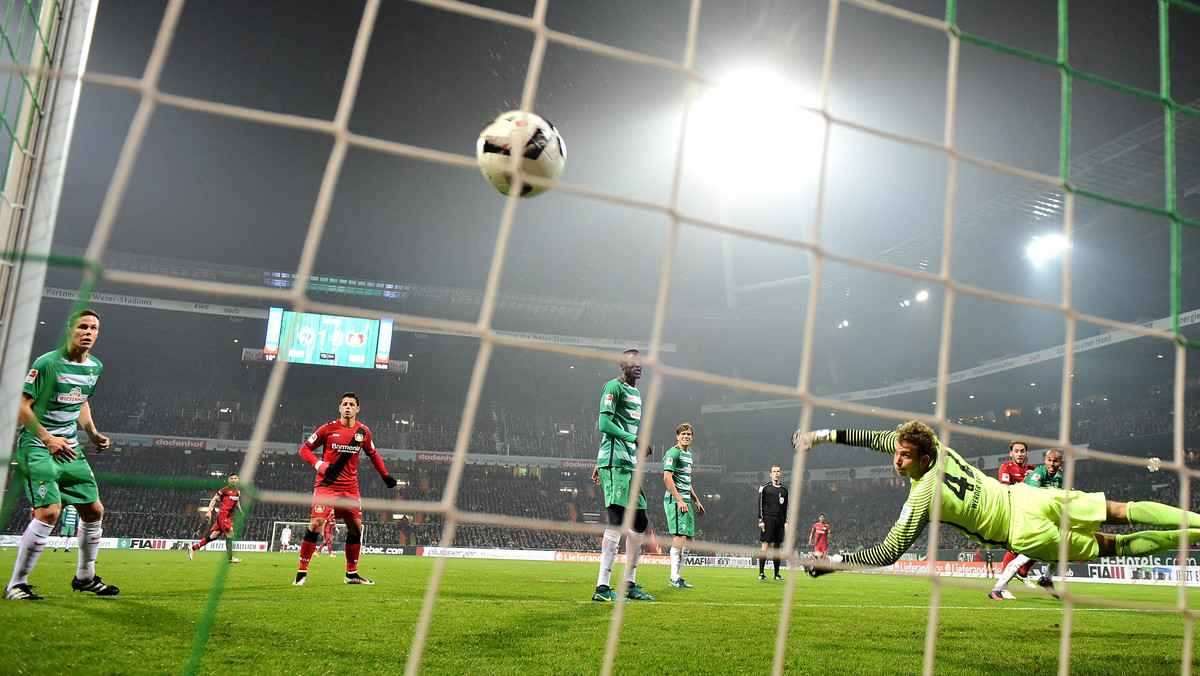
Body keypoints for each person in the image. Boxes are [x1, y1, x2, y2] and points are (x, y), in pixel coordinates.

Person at [793, 423, 1200, 583]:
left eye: (903, 456)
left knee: (1115, 543)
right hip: (1029, 496)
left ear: (922, 459)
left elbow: (888, 551)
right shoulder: (938, 448)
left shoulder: (922, 496)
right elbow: (871, 438)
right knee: (1119, 509)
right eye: (896, 453)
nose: (895, 459)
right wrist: (824, 435)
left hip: (1020, 529)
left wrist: (834, 562)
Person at [5, 309, 117, 600]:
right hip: (38, 445)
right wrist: (47, 438)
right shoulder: (47, 363)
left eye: (94, 327)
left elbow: (80, 401)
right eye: (82, 326)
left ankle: (85, 577)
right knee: (50, 511)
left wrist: (92, 433)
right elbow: (21, 406)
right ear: (69, 330)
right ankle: (16, 585)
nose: (88, 332)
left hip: (69, 447)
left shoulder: (95, 367)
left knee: (94, 510)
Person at [293, 392, 397, 586]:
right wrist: (320, 465)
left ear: (358, 409)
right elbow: (304, 449)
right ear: (339, 408)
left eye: (351, 404)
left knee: (356, 528)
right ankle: (301, 573)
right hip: (327, 485)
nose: (347, 407)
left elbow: (373, 455)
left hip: (350, 487)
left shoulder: (364, 432)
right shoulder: (328, 428)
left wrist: (385, 475)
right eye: (344, 404)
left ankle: (351, 574)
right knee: (316, 524)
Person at [591, 349, 654, 602]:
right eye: (632, 362)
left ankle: (629, 583)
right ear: (622, 365)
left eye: (640, 362)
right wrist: (635, 439)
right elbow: (604, 424)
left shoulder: (636, 393)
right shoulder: (612, 387)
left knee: (639, 522)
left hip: (628, 463)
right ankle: (602, 588)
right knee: (617, 519)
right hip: (615, 461)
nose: (637, 365)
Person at [990, 448, 1065, 600]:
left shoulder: (1059, 477)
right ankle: (997, 589)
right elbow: (1035, 496)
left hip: (1045, 519)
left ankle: (1046, 578)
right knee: (1024, 555)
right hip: (1029, 516)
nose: (1052, 463)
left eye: (1055, 461)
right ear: (1045, 461)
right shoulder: (1038, 473)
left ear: (1060, 463)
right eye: (1049, 460)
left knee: (1058, 550)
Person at [663, 423, 704, 589]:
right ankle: (673, 578)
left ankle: (678, 577)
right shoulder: (674, 452)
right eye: (683, 433)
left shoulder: (689, 456)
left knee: (690, 540)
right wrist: (679, 499)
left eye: (689, 434)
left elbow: (687, 481)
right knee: (679, 537)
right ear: (677, 436)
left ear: (692, 437)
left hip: (686, 499)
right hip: (675, 500)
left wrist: (696, 500)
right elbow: (667, 478)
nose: (686, 436)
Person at [995, 440, 1036, 596]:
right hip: (1013, 513)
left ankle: (1023, 572)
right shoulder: (1006, 468)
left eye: (1022, 451)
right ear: (1011, 453)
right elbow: (1006, 491)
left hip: (1030, 513)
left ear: (1026, 453)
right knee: (1014, 549)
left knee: (1041, 544)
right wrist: (1028, 481)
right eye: (1016, 451)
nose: (1019, 454)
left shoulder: (1032, 469)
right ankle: (1003, 587)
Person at [188, 473, 244, 563]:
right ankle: (231, 557)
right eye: (231, 478)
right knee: (230, 534)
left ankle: (193, 547)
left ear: (238, 480)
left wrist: (241, 511)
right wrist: (209, 511)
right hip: (223, 516)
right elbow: (214, 499)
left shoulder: (237, 492)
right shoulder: (224, 490)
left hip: (229, 517)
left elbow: (236, 502)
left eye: (235, 478)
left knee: (213, 536)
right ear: (228, 480)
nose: (233, 480)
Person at [758, 465, 789, 580]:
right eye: (774, 472)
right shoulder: (765, 488)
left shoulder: (785, 490)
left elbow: (787, 507)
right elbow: (760, 504)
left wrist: (786, 521)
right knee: (766, 544)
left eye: (778, 471)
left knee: (777, 547)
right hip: (768, 518)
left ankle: (776, 574)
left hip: (780, 520)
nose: (776, 473)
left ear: (781, 474)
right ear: (771, 474)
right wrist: (761, 520)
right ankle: (761, 573)